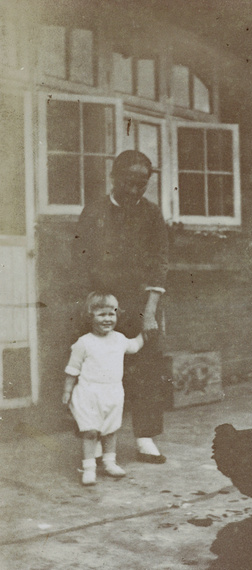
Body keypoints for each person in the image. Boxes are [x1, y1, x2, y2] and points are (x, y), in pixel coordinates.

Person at [73, 150, 169, 463]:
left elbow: (159, 262)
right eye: (130, 181)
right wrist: (92, 304)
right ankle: (96, 438)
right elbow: (81, 258)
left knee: (146, 369)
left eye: (143, 182)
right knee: (98, 371)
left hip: (141, 303)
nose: (135, 188)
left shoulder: (152, 214)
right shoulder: (95, 212)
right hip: (101, 303)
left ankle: (145, 437)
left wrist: (151, 311)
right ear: (115, 178)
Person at [63, 292, 144, 486]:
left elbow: (135, 346)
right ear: (90, 316)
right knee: (90, 431)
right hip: (89, 393)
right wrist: (67, 392)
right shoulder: (84, 343)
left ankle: (109, 462)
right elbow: (72, 370)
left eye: (111, 314)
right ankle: (89, 468)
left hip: (113, 392)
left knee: (110, 430)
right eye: (101, 314)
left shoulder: (119, 339)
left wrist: (146, 332)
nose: (107, 319)